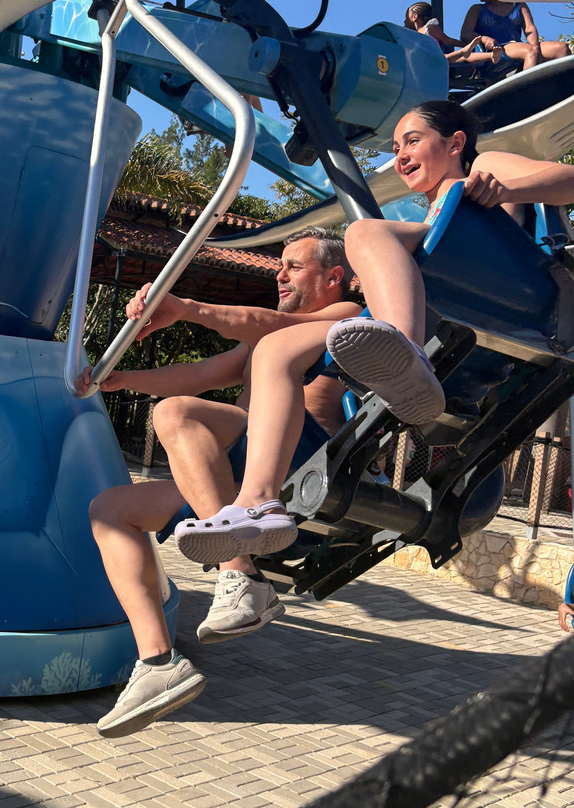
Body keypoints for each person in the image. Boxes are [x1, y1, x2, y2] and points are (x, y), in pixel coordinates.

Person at [78, 227, 360, 738]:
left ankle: (240, 572)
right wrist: (119, 379)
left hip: (301, 467)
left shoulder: (346, 317)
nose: (280, 275)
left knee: (177, 414)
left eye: (294, 266)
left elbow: (265, 324)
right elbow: (204, 374)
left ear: (333, 276)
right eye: (280, 266)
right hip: (238, 482)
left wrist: (186, 308)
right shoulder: (266, 339)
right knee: (110, 510)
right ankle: (158, 665)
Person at [326, 99, 574, 427]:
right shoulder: (420, 224)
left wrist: (505, 190)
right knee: (279, 349)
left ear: (455, 143)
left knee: (363, 233)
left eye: (413, 141)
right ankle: (402, 370)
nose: (400, 157)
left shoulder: (483, 170)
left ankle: (408, 355)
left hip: (517, 293)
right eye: (396, 149)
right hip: (462, 319)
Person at [460, 1, 569, 71]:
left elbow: (529, 29)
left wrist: (536, 47)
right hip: (498, 48)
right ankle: (528, 88)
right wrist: (484, 39)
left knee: (561, 48)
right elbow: (465, 33)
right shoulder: (477, 9)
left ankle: (562, 87)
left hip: (518, 45)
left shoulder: (520, 6)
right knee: (530, 51)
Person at [405, 2, 500, 65]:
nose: (404, 21)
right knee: (458, 56)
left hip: (436, 57)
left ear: (414, 17)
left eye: (406, 17)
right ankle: (465, 51)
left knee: (461, 57)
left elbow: (447, 40)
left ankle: (490, 55)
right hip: (426, 60)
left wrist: (464, 45)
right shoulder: (415, 35)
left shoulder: (429, 28)